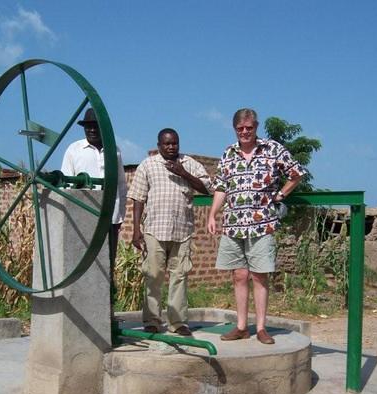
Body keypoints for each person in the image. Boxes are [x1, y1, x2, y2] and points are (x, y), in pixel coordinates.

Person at [208, 108, 307, 344]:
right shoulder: (228, 154)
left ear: (256, 127)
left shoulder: (272, 149)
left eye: (249, 128)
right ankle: (241, 326)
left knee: (260, 276)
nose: (245, 132)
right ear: (235, 129)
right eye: (240, 128)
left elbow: (296, 173)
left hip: (262, 223)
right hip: (233, 224)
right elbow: (221, 187)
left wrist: (281, 194)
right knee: (239, 275)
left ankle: (261, 328)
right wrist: (212, 214)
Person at [128, 128, 211, 336]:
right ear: (159, 145)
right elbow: (138, 198)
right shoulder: (148, 165)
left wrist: (183, 173)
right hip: (155, 229)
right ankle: (152, 320)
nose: (171, 147)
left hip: (182, 230)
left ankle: (178, 322)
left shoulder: (190, 163)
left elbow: (207, 188)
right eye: (167, 144)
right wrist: (136, 229)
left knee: (180, 276)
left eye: (174, 143)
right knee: (153, 275)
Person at [61, 108, 127, 269]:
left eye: (96, 126)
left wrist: (119, 216)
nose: (91, 130)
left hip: (109, 216)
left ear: (103, 128)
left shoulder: (114, 151)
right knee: (81, 261)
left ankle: (109, 293)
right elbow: (66, 184)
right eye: (88, 126)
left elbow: (121, 184)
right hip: (83, 214)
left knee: (108, 262)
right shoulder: (74, 150)